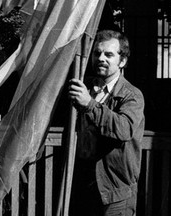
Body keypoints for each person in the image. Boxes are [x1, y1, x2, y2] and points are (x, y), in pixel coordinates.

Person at [68, 30, 145, 216]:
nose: (101, 58)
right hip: (83, 184)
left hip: (115, 190)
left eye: (109, 54)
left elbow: (124, 129)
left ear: (123, 61)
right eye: (97, 53)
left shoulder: (131, 95)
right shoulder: (83, 88)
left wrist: (89, 104)